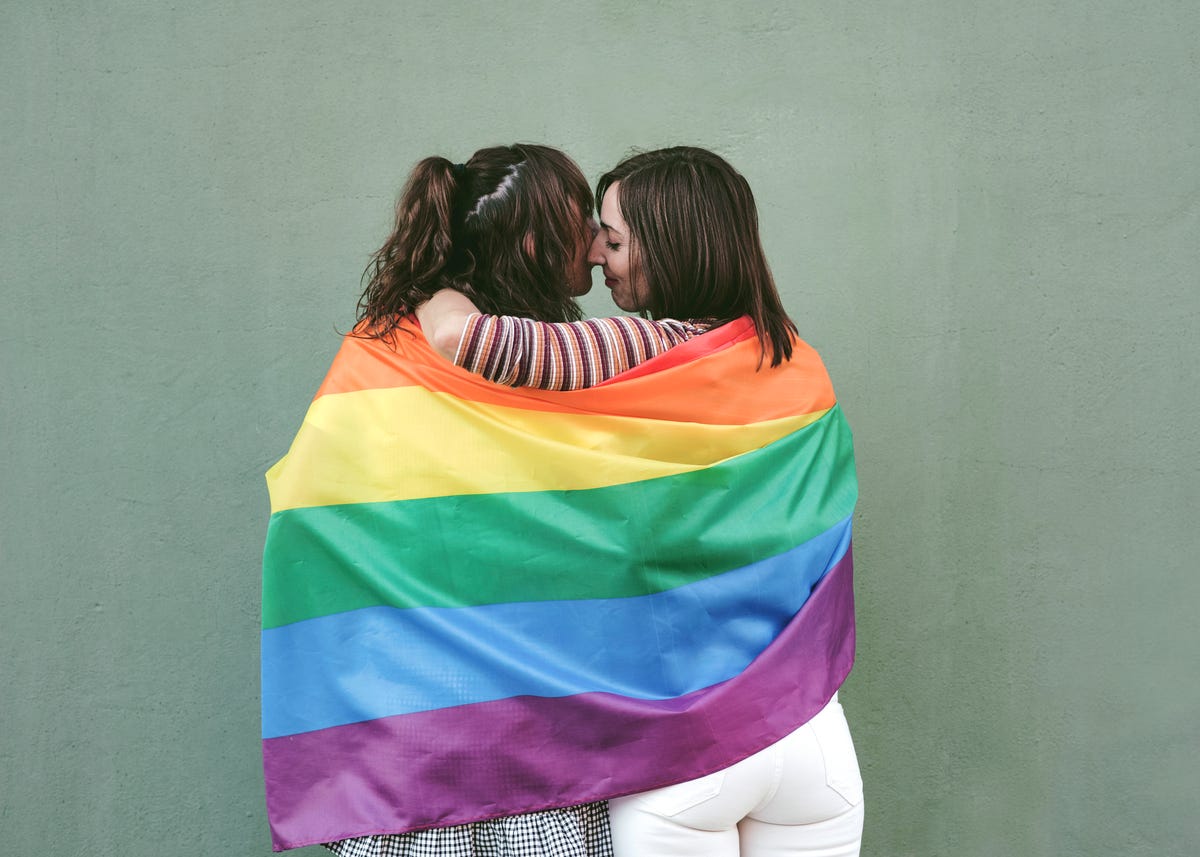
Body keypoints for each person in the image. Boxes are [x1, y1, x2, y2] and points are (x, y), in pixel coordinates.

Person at [416, 147, 865, 856]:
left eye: (615, 240)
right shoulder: (799, 366)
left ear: (669, 249)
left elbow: (457, 337)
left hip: (693, 750)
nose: (597, 255)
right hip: (814, 738)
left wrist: (437, 281)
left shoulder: (641, 350)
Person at [316, 142, 612, 857]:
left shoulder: (405, 339)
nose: (600, 249)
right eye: (584, 224)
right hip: (498, 724)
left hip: (431, 717)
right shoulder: (479, 353)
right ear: (538, 240)